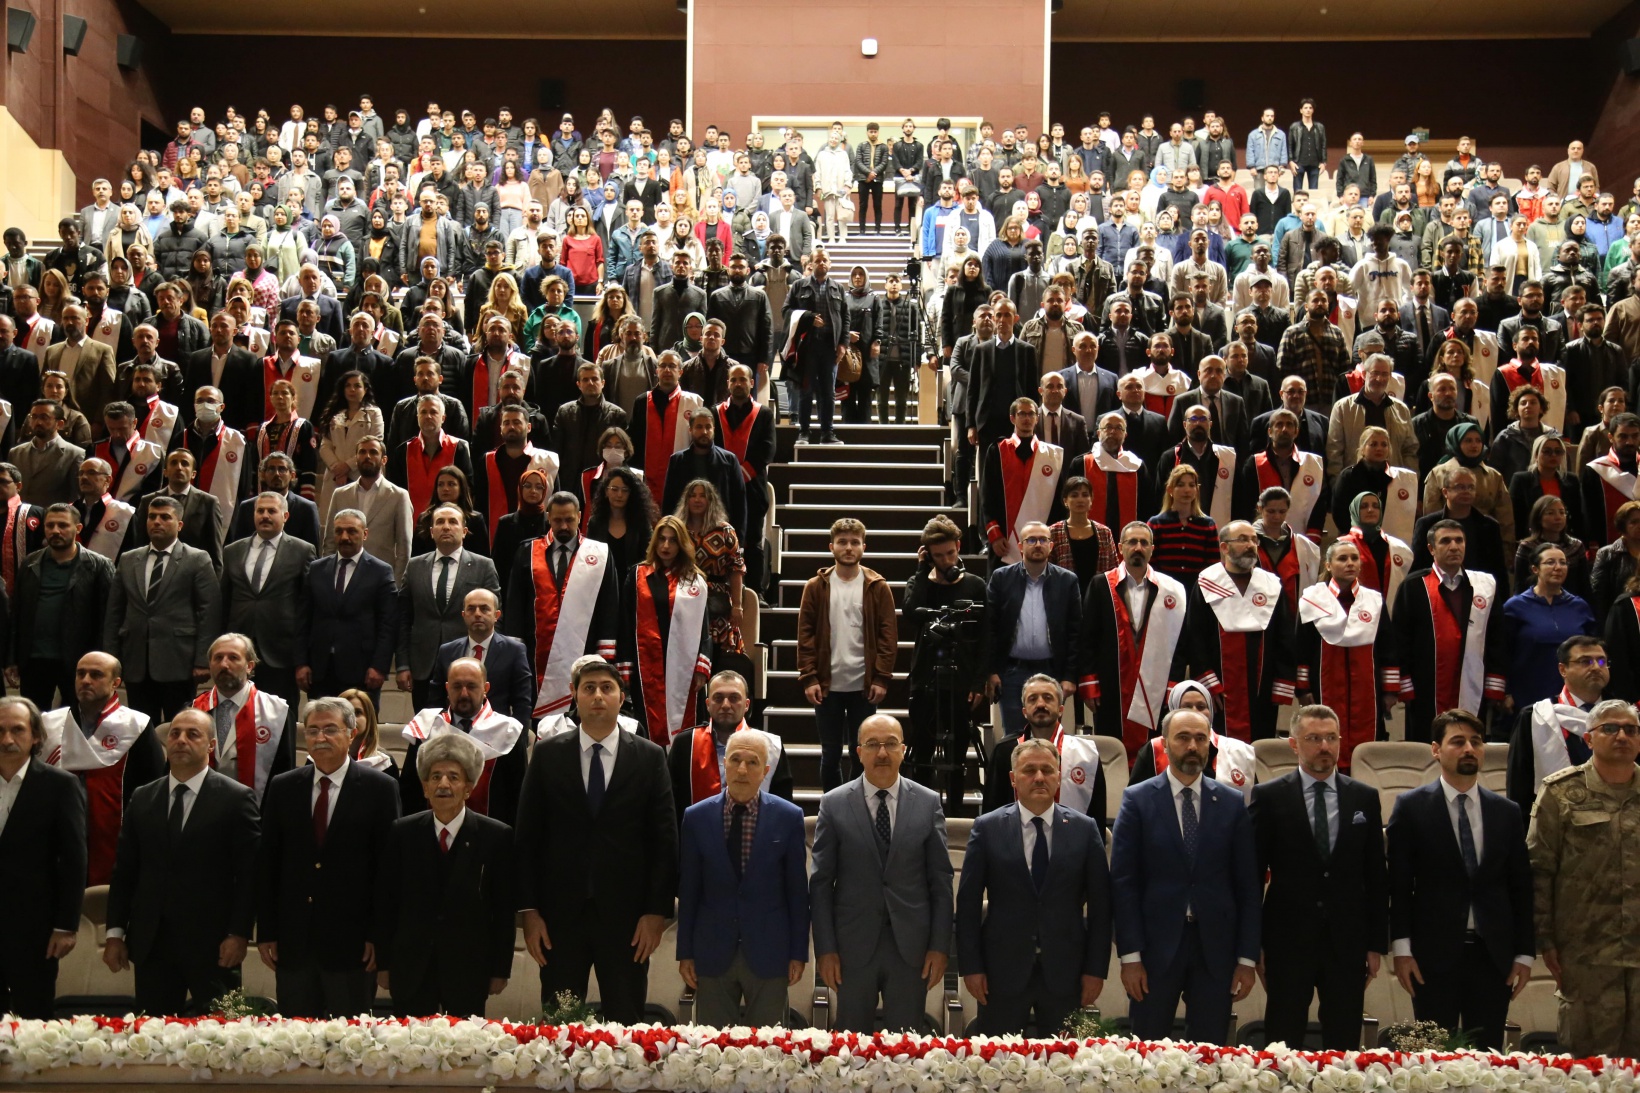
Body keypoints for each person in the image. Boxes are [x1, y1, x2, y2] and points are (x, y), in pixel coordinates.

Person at [516, 654, 677, 1023]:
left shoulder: (650, 758)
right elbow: (528, 837)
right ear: (575, 696)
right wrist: (530, 911)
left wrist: (656, 912)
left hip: (627, 920)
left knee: (626, 1024)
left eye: (607, 688)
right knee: (560, 1022)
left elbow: (664, 839)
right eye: (589, 689)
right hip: (559, 918)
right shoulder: (547, 755)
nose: (598, 696)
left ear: (622, 698)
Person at [1387, 708, 1535, 1053]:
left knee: (1487, 1057)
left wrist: (1525, 954)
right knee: (1429, 1058)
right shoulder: (1410, 807)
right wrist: (1402, 950)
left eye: (1476, 741)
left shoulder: (1507, 811)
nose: (1470, 748)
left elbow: (1521, 887)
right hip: (1430, 955)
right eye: (1458, 741)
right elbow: (1398, 884)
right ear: (1436, 750)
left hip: (1493, 955)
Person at [1110, 706, 1260, 1043]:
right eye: (1183, 738)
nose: (1192, 745)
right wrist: (1130, 956)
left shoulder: (1232, 803)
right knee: (1147, 1053)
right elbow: (1123, 883)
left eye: (1200, 738)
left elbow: (1248, 886)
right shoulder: (1137, 800)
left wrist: (1247, 958)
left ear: (1210, 744)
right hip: (1153, 950)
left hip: (1216, 950)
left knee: (1210, 1054)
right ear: (1165, 743)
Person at [102, 707, 259, 1016]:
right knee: (154, 1041)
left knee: (222, 1040)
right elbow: (125, 872)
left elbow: (250, 874)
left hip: (213, 944)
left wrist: (239, 933)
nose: (181, 740)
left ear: (211, 746)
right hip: (152, 943)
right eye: (175, 733)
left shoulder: (236, 798)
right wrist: (115, 934)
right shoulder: (143, 797)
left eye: (193, 734)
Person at [1248, 704, 1387, 1049]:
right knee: (1282, 1038)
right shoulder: (1269, 796)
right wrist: (1254, 944)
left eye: (1331, 738)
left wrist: (1375, 944)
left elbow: (1376, 875)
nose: (1324, 746)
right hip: (1286, 939)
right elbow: (1251, 876)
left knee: (1343, 1041)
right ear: (1294, 744)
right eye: (1313, 739)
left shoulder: (1364, 798)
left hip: (1347, 939)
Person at [957, 731, 1111, 1036]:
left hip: (1067, 971)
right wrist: (970, 967)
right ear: (1014, 778)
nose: (1039, 777)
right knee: (998, 1065)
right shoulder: (988, 828)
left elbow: (1101, 906)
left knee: (1064, 1069)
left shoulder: (1085, 829)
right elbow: (968, 904)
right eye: (1029, 770)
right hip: (1001, 970)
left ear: (1059, 776)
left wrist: (1096, 970)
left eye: (1047, 770)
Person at [254, 696, 399, 1019]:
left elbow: (387, 870)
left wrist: (379, 936)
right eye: (313, 730)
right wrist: (267, 931)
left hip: (354, 945)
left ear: (351, 733)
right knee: (295, 1042)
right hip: (294, 942)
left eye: (330, 729)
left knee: (349, 1047)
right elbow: (269, 864)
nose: (320, 738)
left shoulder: (380, 788)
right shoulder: (283, 787)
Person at [810, 714, 953, 1032]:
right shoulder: (834, 804)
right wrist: (826, 949)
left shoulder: (928, 804)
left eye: (890, 744)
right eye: (872, 744)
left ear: (904, 749)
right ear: (858, 752)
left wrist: (940, 946)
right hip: (851, 948)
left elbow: (941, 882)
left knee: (906, 1047)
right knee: (849, 1047)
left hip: (912, 949)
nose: (882, 753)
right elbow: (820, 884)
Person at [1528, 697, 1640, 1058]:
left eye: (1631, 729)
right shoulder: (1561, 792)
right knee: (1588, 1068)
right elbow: (1539, 870)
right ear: (1588, 738)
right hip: (1587, 955)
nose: (1622, 735)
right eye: (1610, 728)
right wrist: (1545, 939)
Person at [375, 731, 515, 1018]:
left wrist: (501, 969)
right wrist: (384, 964)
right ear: (424, 787)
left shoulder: (496, 836)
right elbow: (387, 903)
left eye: (453, 777)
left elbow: (502, 910)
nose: (443, 784)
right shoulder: (402, 833)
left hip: (469, 969)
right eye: (435, 776)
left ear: (468, 787)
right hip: (411, 967)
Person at [676, 730, 809, 1026]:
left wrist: (798, 952)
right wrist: (685, 952)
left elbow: (797, 892)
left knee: (771, 1052)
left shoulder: (789, 817)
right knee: (712, 1051)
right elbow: (690, 890)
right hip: (712, 950)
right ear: (724, 763)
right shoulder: (696, 817)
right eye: (735, 759)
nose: (742, 769)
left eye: (752, 762)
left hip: (770, 950)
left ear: (765, 770)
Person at [0, 694, 87, 1019]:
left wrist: (66, 925)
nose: (7, 739)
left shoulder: (59, 785)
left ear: (36, 736)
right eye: (0, 730)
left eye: (17, 730)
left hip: (34, 926)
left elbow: (75, 859)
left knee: (34, 1019)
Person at [798, 517, 898, 790]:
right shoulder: (815, 587)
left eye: (855, 542)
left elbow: (888, 636)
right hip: (827, 685)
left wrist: (881, 677)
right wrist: (809, 677)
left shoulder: (877, 586)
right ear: (832, 546)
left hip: (863, 686)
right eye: (842, 542)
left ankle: (856, 810)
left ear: (864, 547)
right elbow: (805, 635)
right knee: (830, 755)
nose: (849, 548)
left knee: (861, 753)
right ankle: (833, 811)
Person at [502, 491, 620, 719]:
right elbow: (515, 602)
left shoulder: (599, 554)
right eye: (557, 520)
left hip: (584, 648)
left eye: (569, 519)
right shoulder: (528, 551)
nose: (564, 526)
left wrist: (605, 653)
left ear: (579, 516)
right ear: (548, 518)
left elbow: (609, 606)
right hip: (537, 652)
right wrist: (515, 649)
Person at [1077, 520, 1188, 760]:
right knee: (1111, 749)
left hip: (1156, 687)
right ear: (1120, 547)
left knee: (1154, 752)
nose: (1138, 547)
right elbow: (1087, 638)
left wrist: (1173, 684)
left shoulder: (1171, 590)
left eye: (1144, 543)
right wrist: (1089, 684)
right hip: (1111, 683)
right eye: (1132, 542)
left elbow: (1179, 644)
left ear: (1152, 549)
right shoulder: (1100, 584)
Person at [104, 494, 219, 723]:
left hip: (179, 661)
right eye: (152, 517)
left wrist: (202, 660)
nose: (157, 522)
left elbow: (209, 611)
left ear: (179, 524)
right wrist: (112, 658)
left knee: (180, 727)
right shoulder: (128, 559)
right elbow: (114, 612)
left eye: (165, 517)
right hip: (136, 659)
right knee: (142, 729)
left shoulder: (197, 559)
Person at [1392, 520, 1506, 743]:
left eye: (1459, 540)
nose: (1454, 546)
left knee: (1469, 745)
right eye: (1445, 541)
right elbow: (1400, 639)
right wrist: (1404, 684)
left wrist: (1494, 686)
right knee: (1426, 747)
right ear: (1431, 549)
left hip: (1472, 681)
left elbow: (1497, 638)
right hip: (1426, 686)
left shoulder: (1485, 585)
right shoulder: (1414, 586)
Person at [1183, 520, 1297, 741]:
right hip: (1220, 687)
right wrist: (1208, 683)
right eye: (1243, 539)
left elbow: (1285, 634)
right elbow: (1195, 636)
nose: (1251, 544)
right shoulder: (1207, 583)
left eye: (1254, 540)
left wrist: (1282, 682)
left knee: (1260, 741)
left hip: (1262, 686)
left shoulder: (1271, 585)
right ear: (1224, 547)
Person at [1295, 539, 1398, 772]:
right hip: (1325, 684)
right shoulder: (1313, 599)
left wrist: (1390, 690)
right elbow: (1303, 648)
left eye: (1354, 558)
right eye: (1342, 559)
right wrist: (1303, 688)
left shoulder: (1373, 600)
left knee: (1368, 745)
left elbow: (1387, 646)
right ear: (1328, 565)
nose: (1350, 563)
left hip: (1367, 689)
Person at [397, 504, 501, 711]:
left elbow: (496, 617)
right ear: (431, 532)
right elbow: (403, 618)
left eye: (453, 522)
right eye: (440, 522)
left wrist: (491, 661)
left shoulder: (483, 566)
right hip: (423, 665)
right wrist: (402, 664)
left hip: (469, 664)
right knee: (427, 732)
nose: (446, 527)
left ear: (464, 531)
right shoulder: (415, 566)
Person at [9, 505, 114, 710]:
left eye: (63, 525)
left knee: (77, 721)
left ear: (78, 528)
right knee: (34, 721)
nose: (55, 530)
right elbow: (17, 613)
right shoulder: (30, 563)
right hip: (34, 660)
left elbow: (107, 619)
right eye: (50, 525)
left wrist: (103, 660)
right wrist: (11, 658)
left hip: (79, 662)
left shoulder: (99, 566)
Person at [401, 655, 526, 826]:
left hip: (491, 838)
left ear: (485, 688)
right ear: (447, 688)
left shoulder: (507, 732)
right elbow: (410, 791)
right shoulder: (427, 727)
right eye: (457, 686)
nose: (464, 694)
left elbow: (518, 797)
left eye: (472, 686)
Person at [220, 491, 314, 712]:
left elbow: (307, 606)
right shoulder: (232, 551)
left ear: (285, 516)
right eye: (260, 511)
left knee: (281, 721)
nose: (265, 516)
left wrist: (303, 657)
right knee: (235, 718)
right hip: (239, 652)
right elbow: (224, 602)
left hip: (282, 653)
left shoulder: (302, 551)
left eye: (272, 511)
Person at [300, 506, 397, 707]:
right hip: (321, 669)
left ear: (365, 534)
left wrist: (379, 666)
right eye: (339, 531)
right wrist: (301, 663)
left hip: (362, 671)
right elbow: (303, 619)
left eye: (352, 531)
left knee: (359, 731)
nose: (344, 537)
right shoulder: (317, 569)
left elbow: (388, 624)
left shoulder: (381, 571)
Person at [667, 669, 793, 822]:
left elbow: (782, 809)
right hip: (697, 840)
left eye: (734, 698)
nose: (726, 705)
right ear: (707, 704)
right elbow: (671, 805)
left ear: (746, 705)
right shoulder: (685, 744)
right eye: (718, 698)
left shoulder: (772, 748)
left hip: (755, 838)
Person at [983, 673, 1110, 823]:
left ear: (1061, 709)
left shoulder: (1086, 754)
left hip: (1071, 844)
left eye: (1048, 698)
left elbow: (1097, 816)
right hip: (1015, 842)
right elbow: (991, 813)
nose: (1041, 704)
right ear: (1024, 711)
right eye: (1033, 699)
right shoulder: (1005, 751)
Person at [1507, 635, 1607, 819]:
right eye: (1585, 661)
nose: (1596, 667)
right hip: (1555, 823)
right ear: (1563, 669)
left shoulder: (1624, 717)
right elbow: (1519, 785)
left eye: (1601, 661)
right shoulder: (1536, 717)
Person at [981, 397, 1063, 565]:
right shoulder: (998, 450)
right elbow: (987, 496)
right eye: (1022, 414)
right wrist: (995, 535)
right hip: (1004, 543)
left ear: (1037, 418)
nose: (1027, 418)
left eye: (1031, 414)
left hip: (1042, 542)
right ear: (1013, 418)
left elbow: (1058, 502)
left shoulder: (1052, 455)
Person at [782, 246, 848, 445]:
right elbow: (786, 312)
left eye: (824, 260)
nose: (821, 264)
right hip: (807, 346)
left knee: (828, 392)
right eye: (817, 260)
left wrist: (843, 344)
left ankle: (828, 433)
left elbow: (846, 318)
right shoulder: (798, 286)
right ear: (810, 263)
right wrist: (808, 318)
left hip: (830, 347)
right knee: (806, 390)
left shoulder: (838, 288)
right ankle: (803, 432)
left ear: (830, 263)